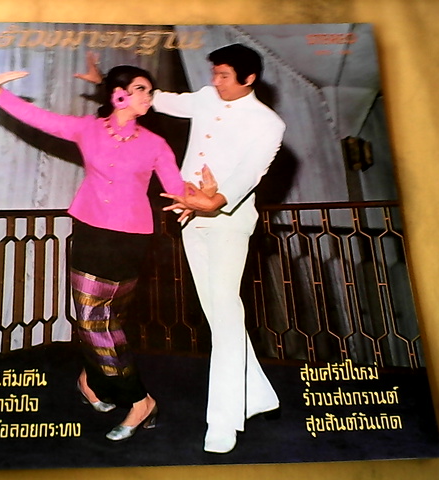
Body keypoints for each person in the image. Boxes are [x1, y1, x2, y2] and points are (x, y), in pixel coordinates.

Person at [76, 43, 285, 453]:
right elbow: (154, 98)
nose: (215, 82)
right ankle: (259, 395)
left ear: (249, 79)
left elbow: (249, 173)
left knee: (225, 314)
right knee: (219, 314)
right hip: (190, 218)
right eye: (214, 73)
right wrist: (107, 82)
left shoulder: (268, 123)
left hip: (227, 222)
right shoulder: (207, 97)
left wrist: (215, 199)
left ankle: (223, 420)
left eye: (224, 76)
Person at [0, 66, 215, 442]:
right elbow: (40, 118)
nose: (148, 97)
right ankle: (137, 399)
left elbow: (175, 188)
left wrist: (203, 197)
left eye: (150, 91)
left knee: (108, 322)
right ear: (119, 95)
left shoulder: (155, 143)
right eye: (141, 89)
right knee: (93, 321)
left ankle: (94, 382)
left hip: (131, 240)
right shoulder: (87, 129)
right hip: (91, 232)